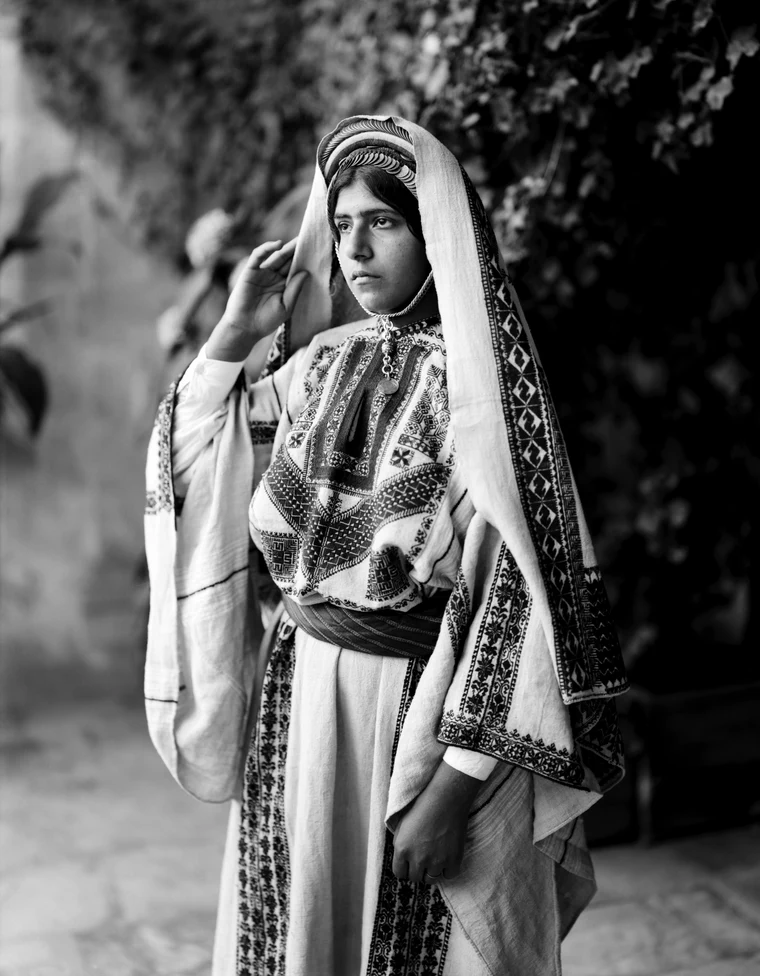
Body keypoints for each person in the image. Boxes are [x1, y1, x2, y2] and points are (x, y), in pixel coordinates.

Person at [144, 116, 628, 976]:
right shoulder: (318, 367)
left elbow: (521, 600)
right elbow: (193, 465)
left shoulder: (485, 398)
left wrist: (454, 789)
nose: (357, 248)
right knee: (299, 927)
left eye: (385, 222)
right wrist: (230, 335)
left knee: (402, 937)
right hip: (295, 709)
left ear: (434, 231)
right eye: (341, 226)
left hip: (413, 721)